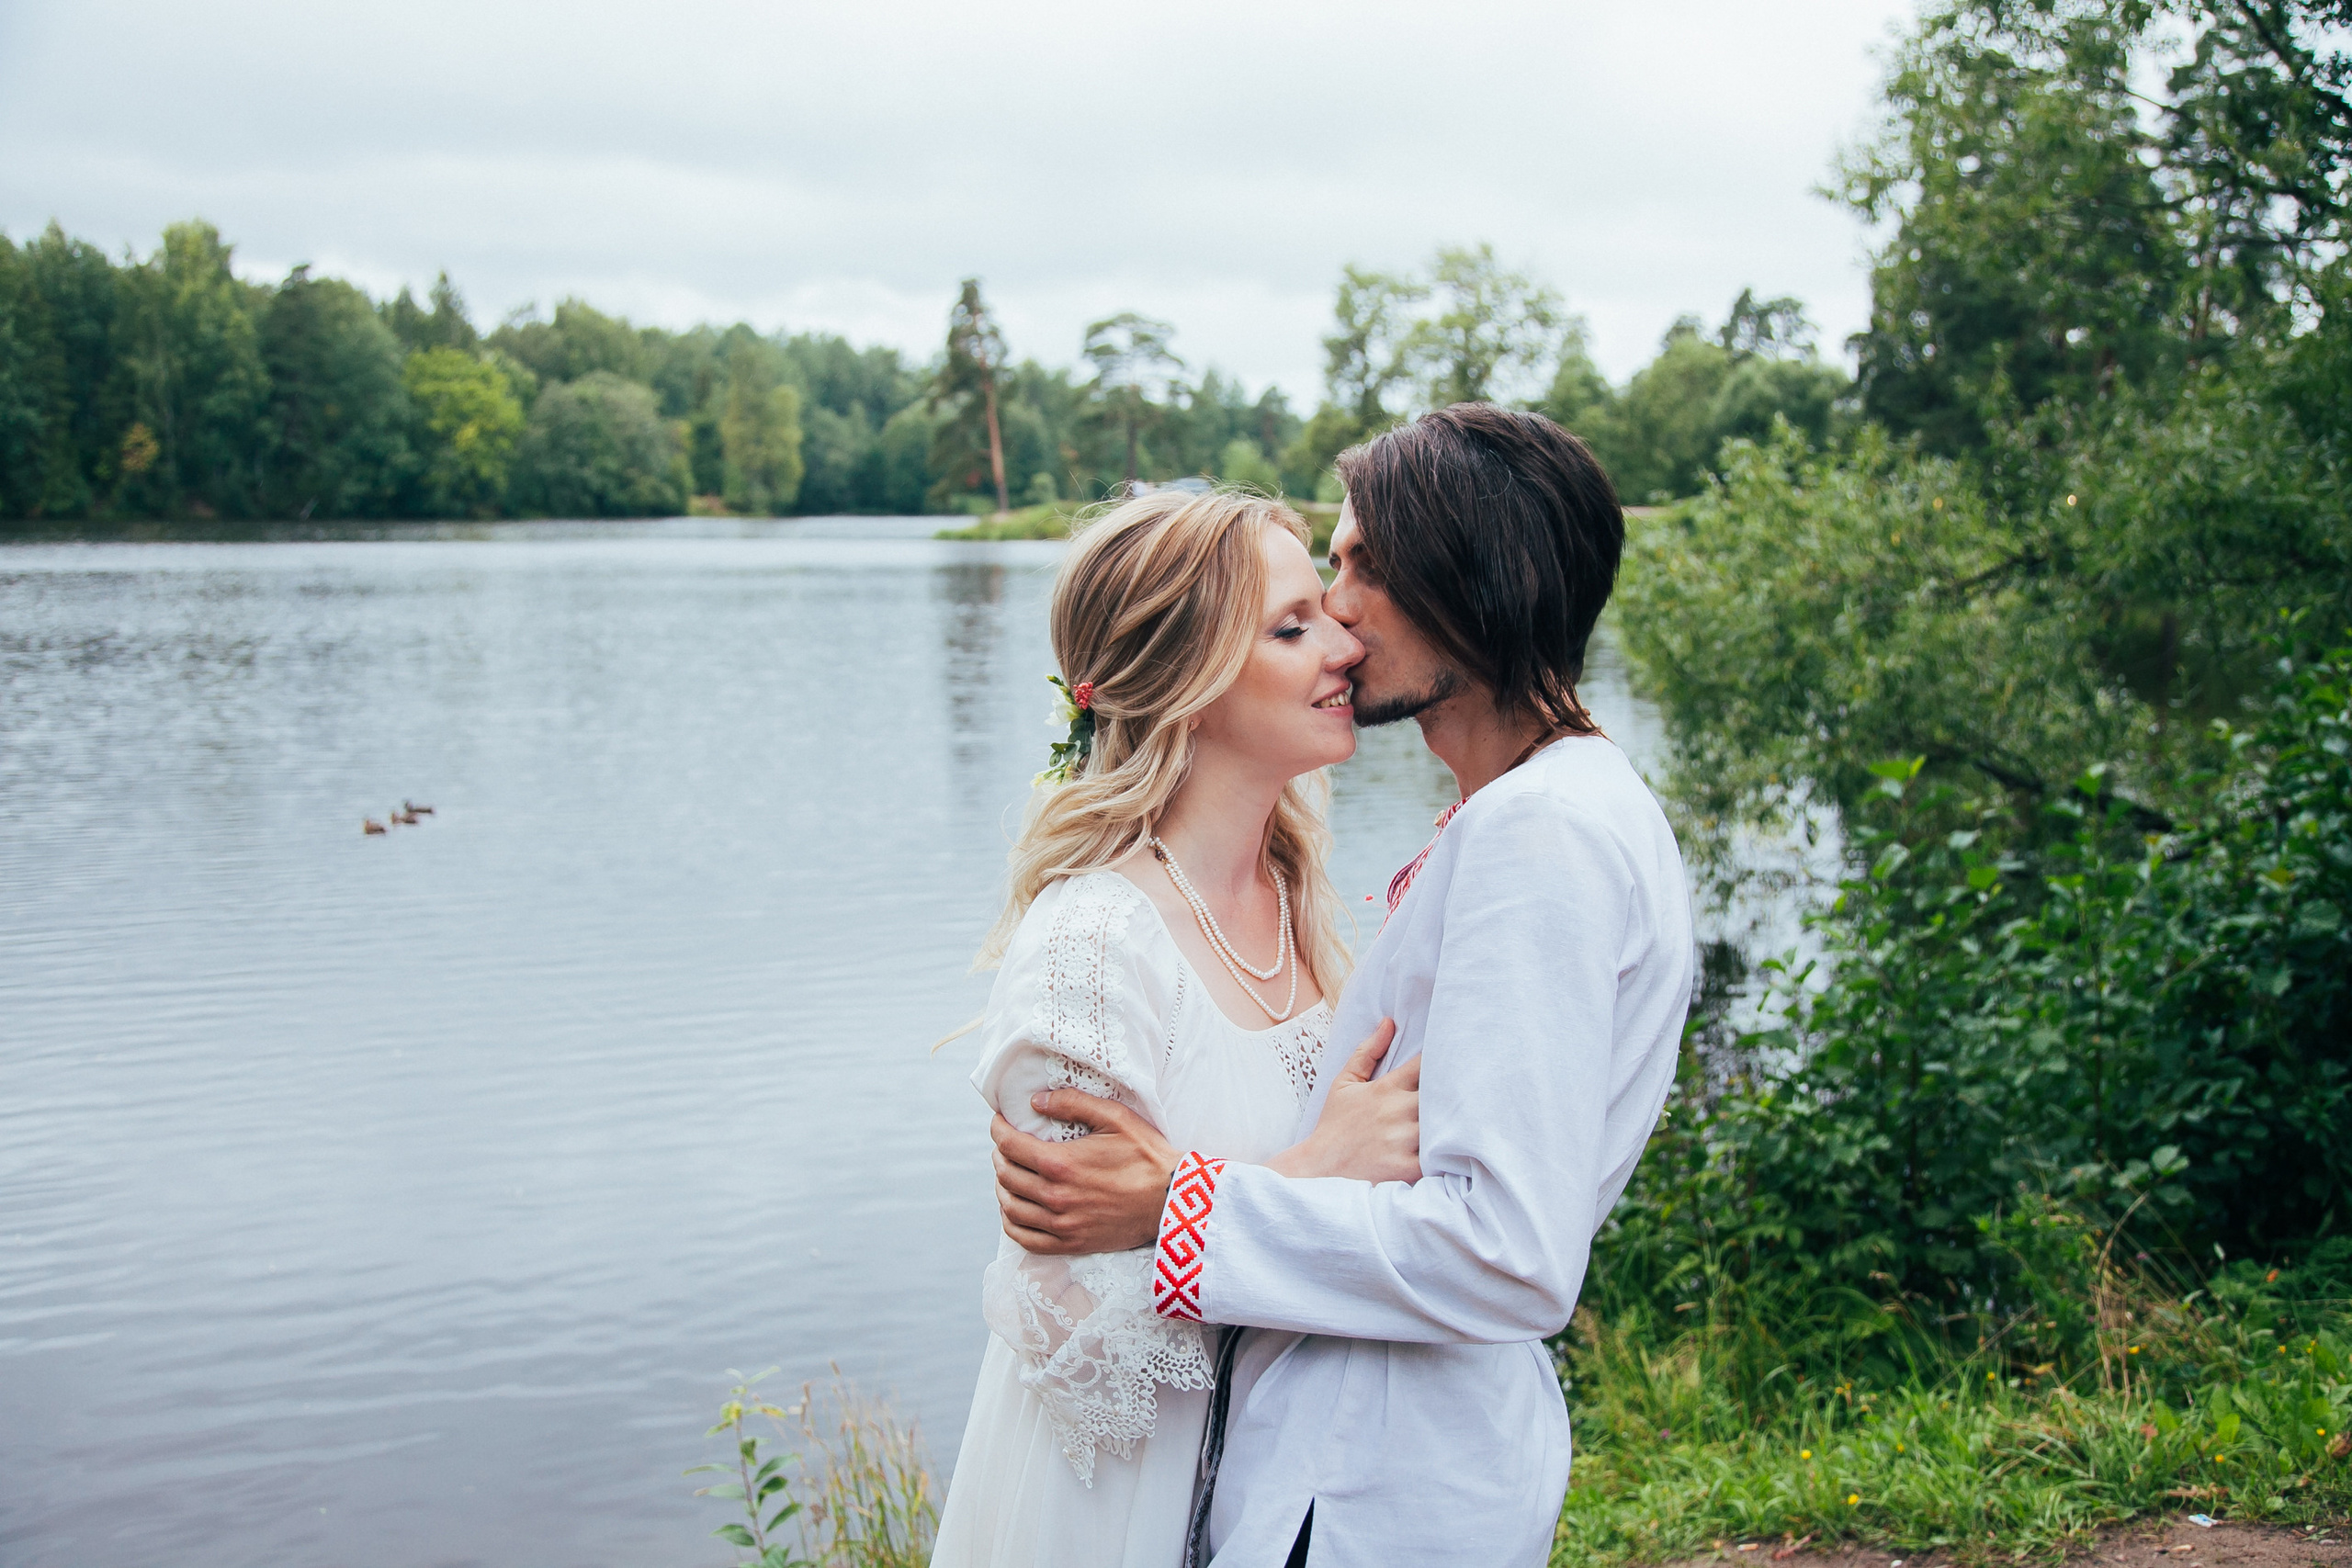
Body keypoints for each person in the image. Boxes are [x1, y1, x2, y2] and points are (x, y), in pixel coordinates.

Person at [989, 404, 1696, 1567]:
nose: (1340, 612)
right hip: (1370, 1459)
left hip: (1372, 1485)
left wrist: (1179, 1205)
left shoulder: (1540, 837)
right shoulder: (1546, 807)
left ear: (1473, 584)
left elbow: (1507, 1252)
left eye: (1363, 566)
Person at [932, 488, 1422, 1568]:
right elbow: (1076, 1353)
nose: (1344, 643)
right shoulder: (1092, 948)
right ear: (1188, 688)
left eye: (1323, 614)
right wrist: (1310, 1175)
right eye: (1291, 628)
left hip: (1291, 1488)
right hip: (1123, 1517)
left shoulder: (1298, 900)